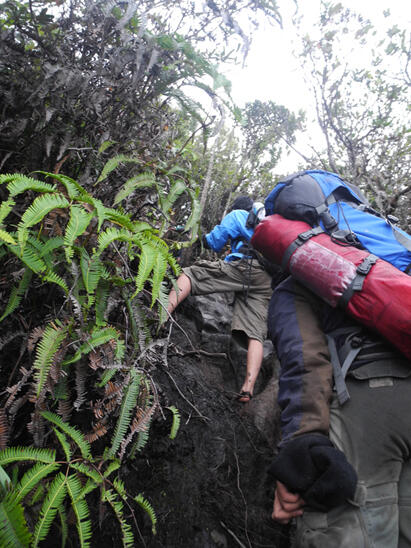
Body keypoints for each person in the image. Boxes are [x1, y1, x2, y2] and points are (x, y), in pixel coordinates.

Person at [267, 275, 411, 547]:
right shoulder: (397, 260)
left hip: (366, 411)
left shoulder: (300, 281)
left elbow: (304, 360)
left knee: (352, 530)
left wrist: (302, 452)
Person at [166, 196, 273, 403]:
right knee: (255, 332)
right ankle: (247, 388)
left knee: (190, 274)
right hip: (267, 279)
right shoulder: (266, 225)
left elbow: (214, 242)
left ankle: (160, 315)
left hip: (246, 267)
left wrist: (193, 235)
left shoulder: (238, 215)